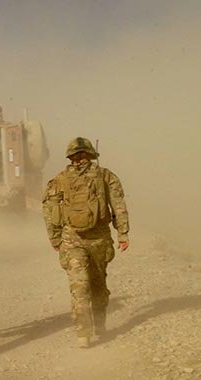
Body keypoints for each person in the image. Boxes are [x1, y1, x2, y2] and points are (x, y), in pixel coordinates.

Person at [42, 137, 130, 348]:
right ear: (91, 155)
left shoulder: (59, 179)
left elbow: (49, 210)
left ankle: (84, 333)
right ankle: (99, 325)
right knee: (98, 284)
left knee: (78, 286)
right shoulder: (106, 176)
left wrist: (55, 238)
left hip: (72, 240)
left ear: (70, 157)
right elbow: (118, 205)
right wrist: (123, 234)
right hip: (99, 238)